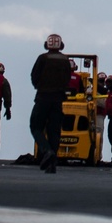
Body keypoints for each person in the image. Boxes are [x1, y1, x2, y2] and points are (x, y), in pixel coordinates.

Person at [30, 33, 72, 173]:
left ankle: (47, 151)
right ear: (61, 45)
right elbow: (67, 79)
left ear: (46, 45)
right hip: (58, 99)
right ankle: (52, 163)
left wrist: (40, 87)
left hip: (43, 97)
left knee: (35, 127)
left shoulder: (43, 58)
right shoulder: (65, 60)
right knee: (54, 131)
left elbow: (34, 76)